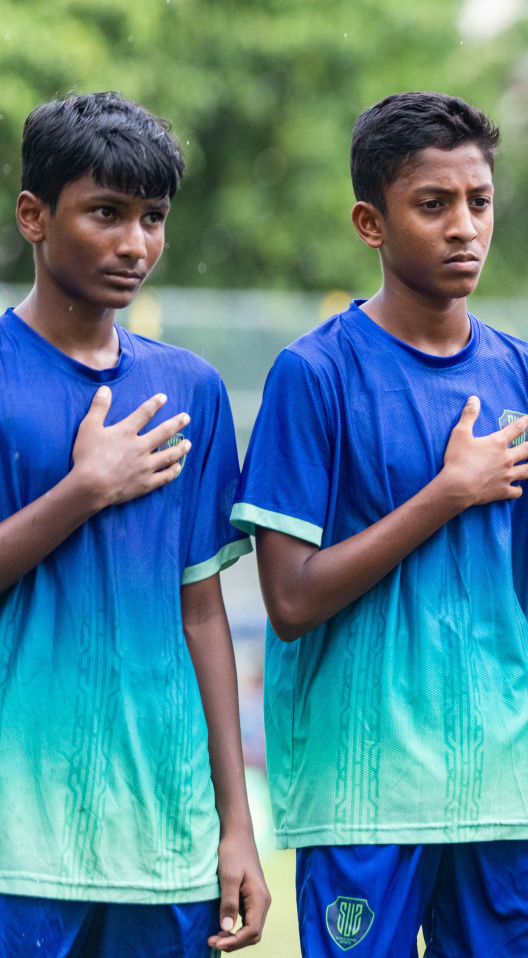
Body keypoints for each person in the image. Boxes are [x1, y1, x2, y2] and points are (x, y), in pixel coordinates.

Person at [231, 92, 528, 956]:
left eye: (479, 201)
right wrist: (446, 493)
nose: (463, 226)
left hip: (513, 792)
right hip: (363, 795)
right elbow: (288, 601)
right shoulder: (313, 375)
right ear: (372, 221)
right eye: (432, 204)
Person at [0, 92, 268, 954]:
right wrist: (86, 486)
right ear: (34, 216)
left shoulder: (190, 391)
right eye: (106, 214)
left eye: (153, 218)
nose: (135, 244)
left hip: (165, 842)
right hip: (17, 846)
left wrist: (236, 826)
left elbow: (201, 616)